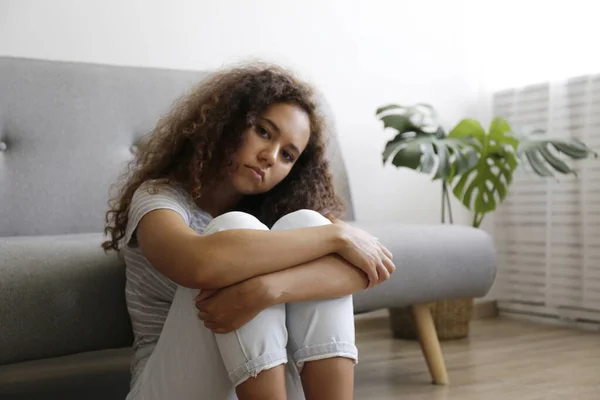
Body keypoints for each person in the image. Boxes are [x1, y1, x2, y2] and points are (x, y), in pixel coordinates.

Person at [102, 64, 396, 400]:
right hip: (171, 388)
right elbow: (199, 263)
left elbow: (365, 270)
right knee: (235, 231)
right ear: (229, 122)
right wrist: (336, 236)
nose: (269, 157)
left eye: (287, 155)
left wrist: (267, 289)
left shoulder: (282, 212)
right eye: (264, 132)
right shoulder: (158, 197)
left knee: (307, 222)